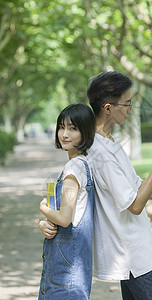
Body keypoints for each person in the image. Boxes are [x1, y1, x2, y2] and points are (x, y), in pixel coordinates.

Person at [39, 71, 152, 300]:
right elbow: (135, 204)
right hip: (131, 254)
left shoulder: (108, 142)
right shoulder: (99, 151)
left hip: (134, 251)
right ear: (108, 107)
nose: (130, 109)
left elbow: (137, 186)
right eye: (127, 103)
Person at [38, 103, 96, 300]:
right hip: (72, 267)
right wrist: (44, 223)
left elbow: (64, 218)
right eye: (62, 127)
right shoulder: (83, 164)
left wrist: (42, 208)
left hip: (66, 270)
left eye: (73, 128)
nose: (64, 134)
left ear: (86, 132)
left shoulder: (74, 168)